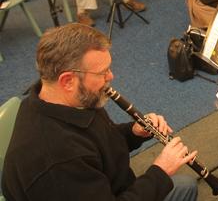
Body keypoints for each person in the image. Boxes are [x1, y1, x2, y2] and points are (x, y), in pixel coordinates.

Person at [1, 23, 198, 200]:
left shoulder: (67, 99)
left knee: (185, 186)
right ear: (67, 81)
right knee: (184, 187)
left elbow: (97, 142)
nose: (111, 76)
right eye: (102, 72)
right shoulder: (58, 161)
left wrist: (133, 132)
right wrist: (160, 172)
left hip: (107, 185)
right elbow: (81, 153)